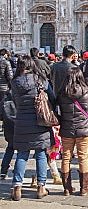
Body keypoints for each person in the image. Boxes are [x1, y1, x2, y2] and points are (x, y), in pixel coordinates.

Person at [10, 56, 56, 201]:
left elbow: (15, 102)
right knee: (41, 154)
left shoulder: (15, 82)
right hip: (39, 122)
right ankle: (41, 187)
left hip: (22, 121)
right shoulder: (40, 80)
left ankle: (17, 187)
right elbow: (52, 98)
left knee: (22, 155)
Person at [57, 67, 88, 196]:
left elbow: (59, 110)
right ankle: (83, 188)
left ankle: (67, 188)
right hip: (83, 129)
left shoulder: (62, 92)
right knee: (83, 157)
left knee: (66, 157)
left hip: (67, 128)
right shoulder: (87, 91)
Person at [0, 91, 16, 179]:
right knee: (22, 152)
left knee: (10, 149)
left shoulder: (4, 101)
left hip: (9, 129)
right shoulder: (21, 98)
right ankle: (17, 170)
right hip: (21, 127)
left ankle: (3, 170)